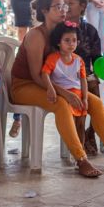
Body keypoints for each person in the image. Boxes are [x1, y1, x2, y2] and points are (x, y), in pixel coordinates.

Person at [10, 0, 104, 178]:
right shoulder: (36, 36)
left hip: (52, 85)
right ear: (44, 11)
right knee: (61, 104)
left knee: (95, 102)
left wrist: (80, 89)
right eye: (58, 6)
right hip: (24, 86)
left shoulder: (59, 33)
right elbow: (36, 76)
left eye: (64, 6)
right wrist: (66, 94)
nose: (63, 10)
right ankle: (81, 159)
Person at [62, 0, 102, 156]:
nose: (66, 7)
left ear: (82, 6)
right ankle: (81, 142)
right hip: (65, 79)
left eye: (70, 3)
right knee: (85, 93)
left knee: (102, 90)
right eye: (64, 3)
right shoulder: (59, 31)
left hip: (86, 76)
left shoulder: (90, 31)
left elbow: (97, 58)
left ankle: (90, 133)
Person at [42, 21, 89, 149]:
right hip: (64, 95)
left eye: (74, 40)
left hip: (78, 96)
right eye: (67, 40)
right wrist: (50, 88)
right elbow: (44, 74)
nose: (71, 44)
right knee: (71, 125)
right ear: (58, 42)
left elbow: (83, 80)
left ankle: (81, 150)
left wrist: (85, 98)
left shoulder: (79, 60)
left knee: (81, 125)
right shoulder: (53, 58)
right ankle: (74, 150)